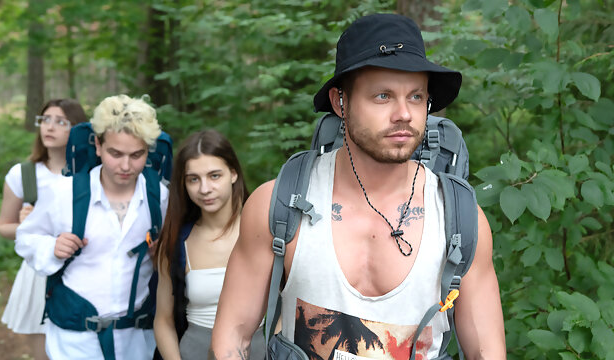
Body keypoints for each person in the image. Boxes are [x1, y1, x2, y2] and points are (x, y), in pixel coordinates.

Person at [210, 13, 506, 359]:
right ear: (341, 103)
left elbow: (487, 352)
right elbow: (233, 334)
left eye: (415, 97)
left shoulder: (460, 221)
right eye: (382, 96)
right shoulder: (281, 206)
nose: (404, 114)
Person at [15, 94, 169, 359]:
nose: (125, 166)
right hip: (74, 340)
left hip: (137, 340)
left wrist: (163, 254)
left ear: (148, 150)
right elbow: (25, 238)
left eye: (136, 155)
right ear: (98, 145)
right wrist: (52, 246)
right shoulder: (64, 192)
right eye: (115, 153)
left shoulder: (160, 197)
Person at [153, 130, 265, 359]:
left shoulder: (266, 231)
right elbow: (163, 320)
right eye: (193, 179)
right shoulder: (176, 242)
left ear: (233, 173)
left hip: (261, 350)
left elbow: (290, 305)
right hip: (196, 351)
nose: (204, 189)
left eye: (214, 176)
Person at [0, 98, 87, 360]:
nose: (50, 127)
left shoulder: (90, 174)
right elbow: (4, 226)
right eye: (45, 120)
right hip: (39, 270)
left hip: (80, 268)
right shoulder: (24, 174)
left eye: (61, 122)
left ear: (78, 129)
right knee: (43, 352)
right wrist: (28, 227)